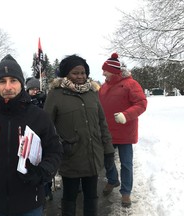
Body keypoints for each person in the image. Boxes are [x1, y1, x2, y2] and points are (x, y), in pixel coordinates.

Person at [0, 54, 62, 216]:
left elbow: (55, 152)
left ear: (21, 84)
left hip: (30, 203)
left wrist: (41, 172)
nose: (8, 87)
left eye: (13, 80)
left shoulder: (39, 117)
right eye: (2, 81)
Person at [43, 54, 115, 216]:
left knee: (91, 195)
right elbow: (47, 126)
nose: (80, 76)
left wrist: (108, 149)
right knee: (69, 196)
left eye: (83, 72)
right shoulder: (56, 94)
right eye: (75, 73)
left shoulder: (92, 93)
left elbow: (102, 123)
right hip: (71, 156)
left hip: (92, 154)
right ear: (66, 74)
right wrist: (59, 145)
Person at [99, 53, 147, 208]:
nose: (103, 73)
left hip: (125, 132)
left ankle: (126, 192)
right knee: (107, 160)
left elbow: (141, 104)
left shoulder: (131, 84)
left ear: (113, 71)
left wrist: (126, 115)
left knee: (126, 164)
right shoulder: (104, 86)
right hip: (107, 132)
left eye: (105, 70)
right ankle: (113, 180)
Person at [25, 77, 53, 201]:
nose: (35, 92)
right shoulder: (25, 101)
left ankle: (47, 190)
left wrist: (44, 100)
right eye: (32, 89)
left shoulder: (43, 100)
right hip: (30, 137)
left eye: (37, 89)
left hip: (43, 136)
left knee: (44, 164)